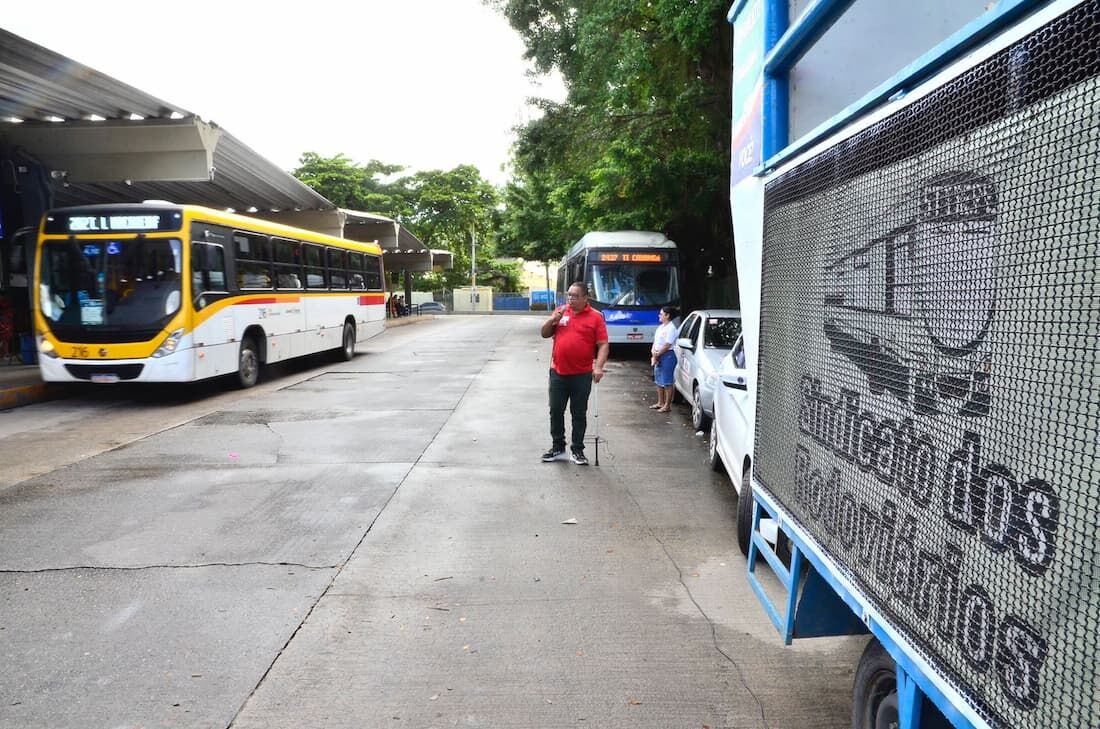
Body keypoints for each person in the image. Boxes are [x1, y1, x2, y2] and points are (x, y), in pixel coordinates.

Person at [540, 282, 609, 466]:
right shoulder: (561, 311)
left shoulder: (595, 317)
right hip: (558, 372)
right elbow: (544, 334)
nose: (570, 299)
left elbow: (603, 344)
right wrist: (552, 319)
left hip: (582, 374)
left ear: (585, 298)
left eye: (575, 296)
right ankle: (558, 447)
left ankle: (577, 450)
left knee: (578, 413)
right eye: (569, 295)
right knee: (555, 410)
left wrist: (599, 367)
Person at [649, 305, 680, 412]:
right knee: (658, 379)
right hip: (658, 354)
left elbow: (667, 345)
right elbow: (655, 341)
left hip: (668, 355)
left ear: (667, 315)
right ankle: (660, 402)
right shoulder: (661, 327)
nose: (659, 316)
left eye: (661, 314)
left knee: (667, 381)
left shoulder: (671, 328)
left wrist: (657, 355)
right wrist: (653, 352)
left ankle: (667, 405)